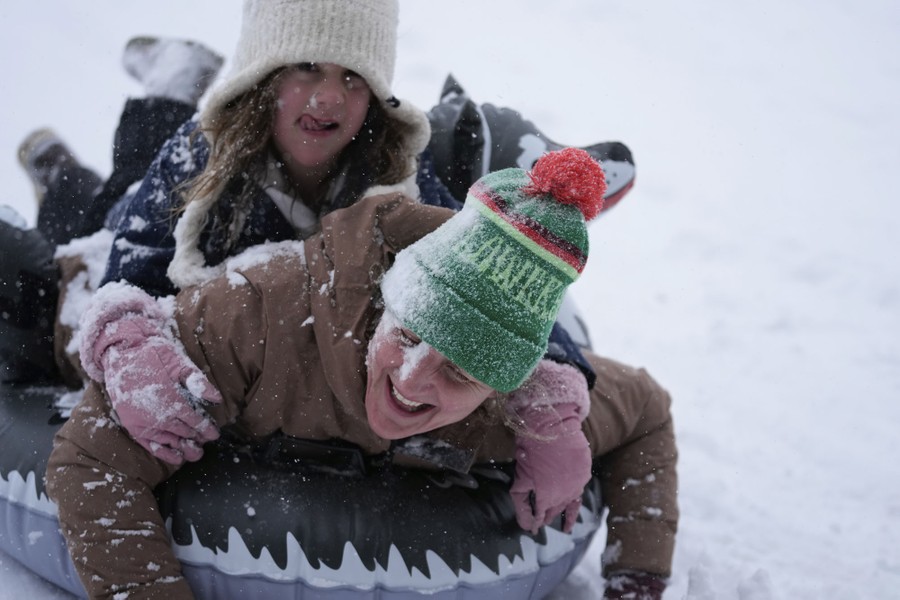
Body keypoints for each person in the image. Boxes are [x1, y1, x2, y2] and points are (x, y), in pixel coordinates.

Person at [47, 148, 677, 599]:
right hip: (133, 266)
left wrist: (636, 584)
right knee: (65, 252)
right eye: (406, 334)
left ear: (499, 387)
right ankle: (59, 167)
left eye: (457, 371)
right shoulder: (260, 315)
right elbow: (87, 456)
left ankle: (495, 147)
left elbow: (647, 410)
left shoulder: (512, 414)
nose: (410, 377)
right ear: (391, 300)